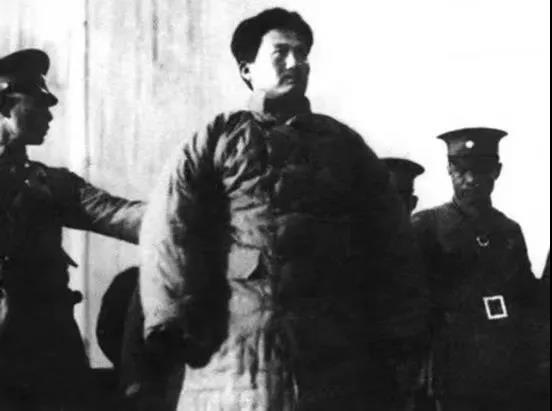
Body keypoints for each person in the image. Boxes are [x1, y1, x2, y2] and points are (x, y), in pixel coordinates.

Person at [135, 8, 428, 411]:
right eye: (281, 52)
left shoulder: (345, 146)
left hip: (334, 355)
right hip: (237, 356)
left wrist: (403, 327)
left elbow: (391, 239)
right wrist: (168, 319)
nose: (296, 62)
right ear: (247, 69)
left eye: (302, 53)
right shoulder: (216, 139)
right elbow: (169, 227)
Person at [0, 49, 144, 410]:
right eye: (39, 103)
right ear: (4, 104)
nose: (50, 115)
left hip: (49, 352)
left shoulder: (52, 184)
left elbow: (122, 215)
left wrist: (196, 216)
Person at [412, 127, 543, 411]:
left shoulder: (508, 230)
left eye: (482, 171)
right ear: (449, 170)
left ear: (497, 171)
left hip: (506, 367)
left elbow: (526, 297)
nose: (472, 180)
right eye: (462, 171)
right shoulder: (426, 226)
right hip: (452, 369)